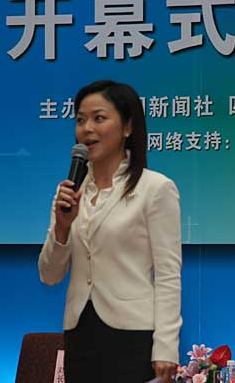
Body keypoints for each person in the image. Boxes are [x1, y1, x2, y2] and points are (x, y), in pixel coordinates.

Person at [38, 80, 182, 383]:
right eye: (80, 120)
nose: (87, 128)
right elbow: (49, 275)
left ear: (127, 127)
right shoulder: (69, 192)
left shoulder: (155, 188)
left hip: (132, 336)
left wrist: (166, 347)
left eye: (99, 118)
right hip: (80, 334)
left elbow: (168, 274)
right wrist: (62, 228)